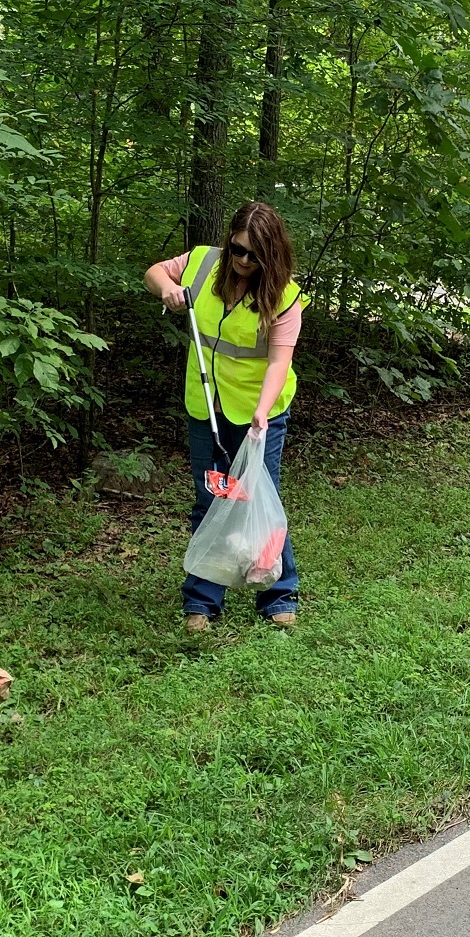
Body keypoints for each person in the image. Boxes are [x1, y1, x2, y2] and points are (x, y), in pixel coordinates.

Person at [145, 202, 307, 630]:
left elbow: (278, 362)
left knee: (259, 498)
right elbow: (156, 271)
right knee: (211, 498)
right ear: (228, 240)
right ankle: (201, 601)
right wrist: (166, 288)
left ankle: (277, 595)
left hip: (259, 412)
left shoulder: (286, 296)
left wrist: (261, 413)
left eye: (256, 256)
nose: (244, 261)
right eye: (238, 249)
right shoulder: (202, 262)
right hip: (206, 405)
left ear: (271, 255)